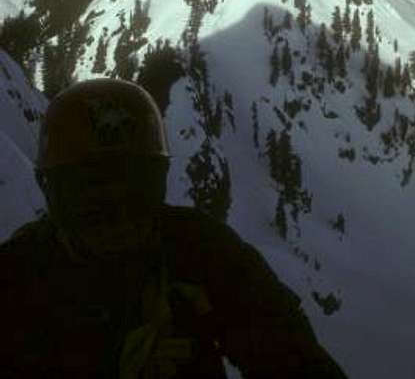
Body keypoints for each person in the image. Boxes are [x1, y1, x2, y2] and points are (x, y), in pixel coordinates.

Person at [0, 78, 349, 378]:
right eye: (93, 202)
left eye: (136, 194)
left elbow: (292, 356)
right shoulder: (198, 253)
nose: (118, 221)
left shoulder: (203, 254)